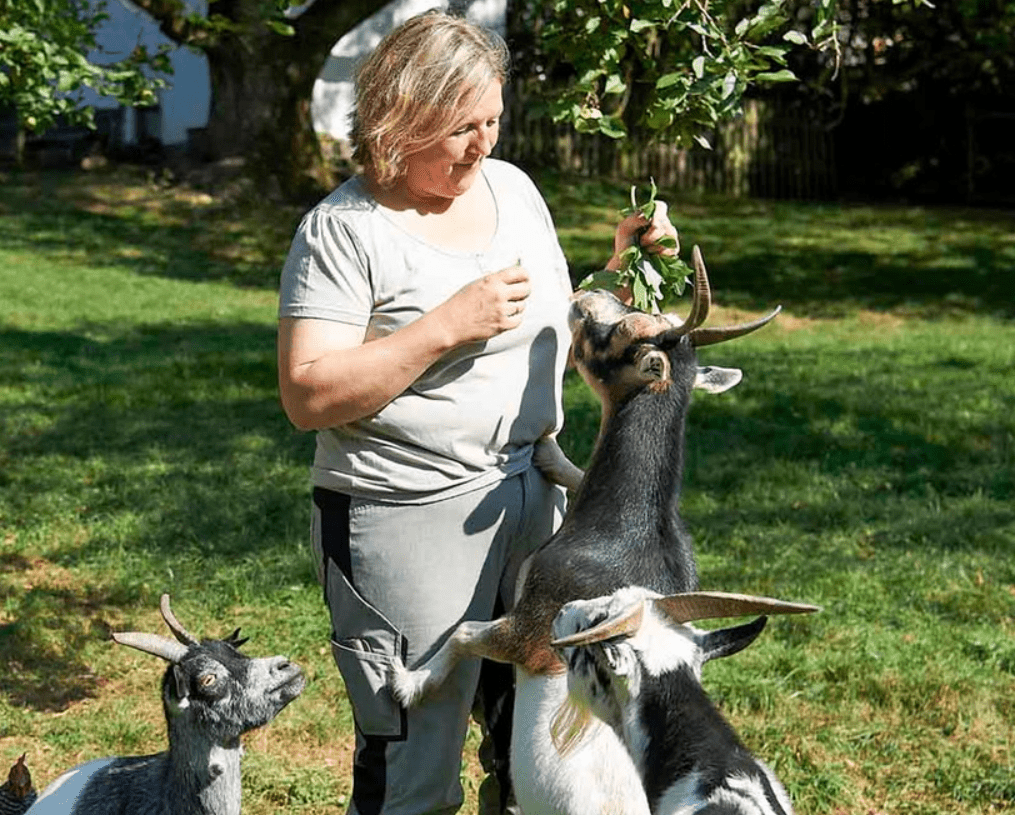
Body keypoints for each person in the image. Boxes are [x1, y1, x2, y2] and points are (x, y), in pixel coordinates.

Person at [276, 11, 678, 815]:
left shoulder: (513, 190)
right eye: (460, 127)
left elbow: (543, 331)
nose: (482, 143)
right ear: (399, 118)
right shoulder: (342, 233)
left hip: (537, 506)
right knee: (413, 772)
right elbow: (307, 395)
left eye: (493, 119)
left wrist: (618, 276)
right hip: (403, 517)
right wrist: (444, 326)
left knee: (540, 750)